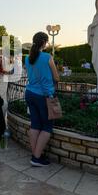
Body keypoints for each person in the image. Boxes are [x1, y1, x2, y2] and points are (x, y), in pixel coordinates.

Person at [25, 32, 60, 167]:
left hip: (30, 93)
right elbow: (56, 78)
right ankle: (36, 157)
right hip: (44, 96)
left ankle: (36, 155)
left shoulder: (28, 58)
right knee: (47, 127)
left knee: (35, 125)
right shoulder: (47, 57)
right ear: (45, 42)